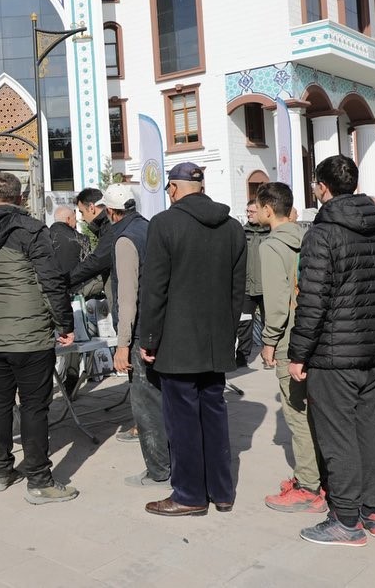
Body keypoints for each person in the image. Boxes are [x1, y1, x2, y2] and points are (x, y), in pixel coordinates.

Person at [0, 172, 77, 503]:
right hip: (31, 335)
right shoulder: (31, 230)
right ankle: (39, 480)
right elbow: (51, 282)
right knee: (35, 406)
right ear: (20, 199)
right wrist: (65, 324)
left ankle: (2, 471)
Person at [288, 154, 375, 547]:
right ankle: (372, 511)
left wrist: (299, 353)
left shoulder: (323, 231)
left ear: (322, 187)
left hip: (335, 352)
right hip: (372, 347)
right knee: (367, 429)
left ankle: (346, 518)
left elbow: (312, 299)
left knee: (338, 435)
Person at [138, 162, 245, 517]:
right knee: (213, 414)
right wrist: (228, 334)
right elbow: (236, 290)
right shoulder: (232, 227)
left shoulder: (165, 224)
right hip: (216, 338)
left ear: (172, 189)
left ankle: (188, 494)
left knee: (182, 420)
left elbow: (154, 288)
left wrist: (148, 337)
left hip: (177, 340)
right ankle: (221, 490)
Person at [255, 182, 326, 513]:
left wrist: (269, 341)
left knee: (297, 415)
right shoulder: (309, 238)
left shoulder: (271, 247)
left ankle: (308, 484)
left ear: (269, 209)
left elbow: (278, 303)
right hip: (316, 338)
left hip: (289, 341)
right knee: (316, 413)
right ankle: (319, 477)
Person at [101, 183, 171, 489]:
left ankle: (158, 470)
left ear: (112, 212)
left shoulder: (125, 240)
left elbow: (127, 297)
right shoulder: (149, 228)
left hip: (141, 329)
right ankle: (170, 462)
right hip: (162, 325)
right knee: (164, 399)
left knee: (146, 405)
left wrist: (122, 344)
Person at [236, 198, 270, 367]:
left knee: (268, 324)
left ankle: (269, 356)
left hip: (266, 288)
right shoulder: (242, 233)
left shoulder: (271, 233)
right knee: (244, 323)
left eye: (252, 211)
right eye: (247, 211)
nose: (248, 214)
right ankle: (242, 357)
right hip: (247, 289)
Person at [48, 205, 88, 279]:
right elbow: (86, 265)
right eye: (75, 218)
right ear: (68, 219)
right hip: (76, 284)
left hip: (51, 284)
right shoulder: (80, 239)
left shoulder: (45, 237)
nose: (76, 221)